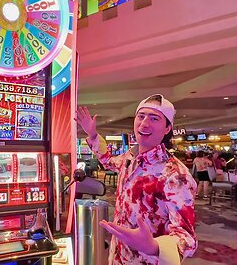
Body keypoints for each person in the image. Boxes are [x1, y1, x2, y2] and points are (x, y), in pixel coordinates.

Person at [76, 94, 197, 265]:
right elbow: (109, 161)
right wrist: (93, 135)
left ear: (167, 128)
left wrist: (154, 246)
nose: (144, 123)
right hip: (118, 256)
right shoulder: (131, 157)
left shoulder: (176, 175)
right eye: (141, 116)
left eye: (154, 118)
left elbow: (187, 238)